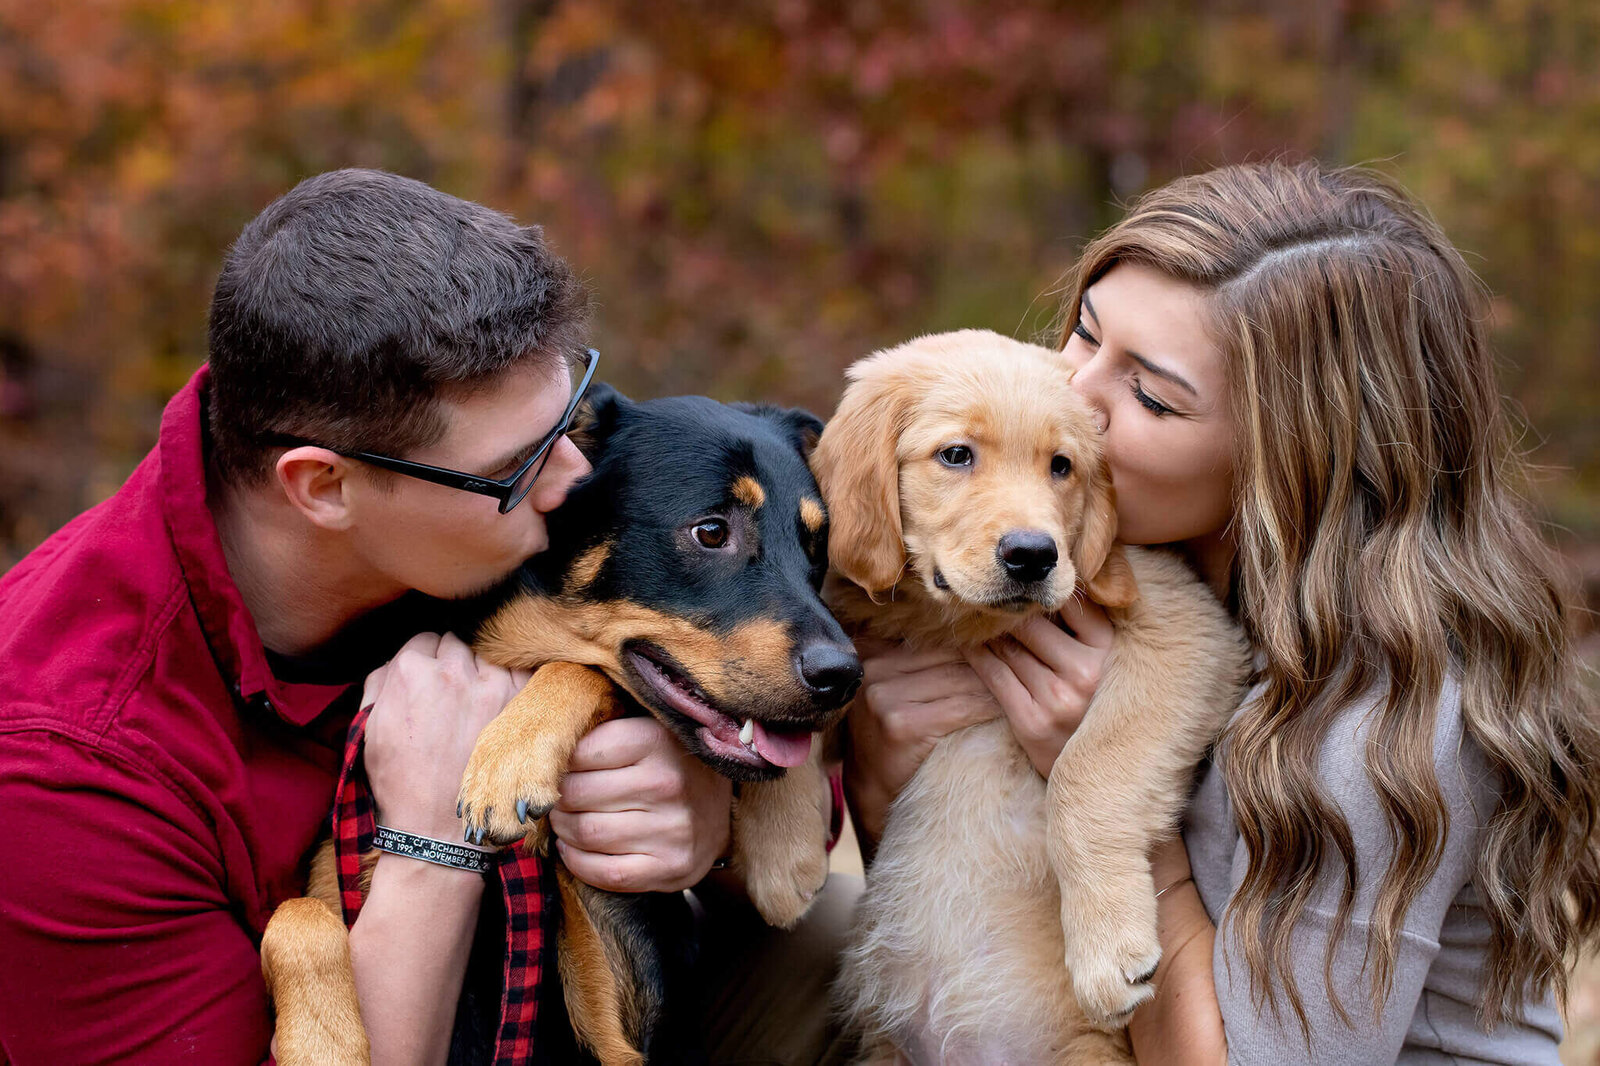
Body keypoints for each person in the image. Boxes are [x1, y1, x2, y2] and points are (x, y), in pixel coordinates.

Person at [0, 169, 848, 1066]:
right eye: (522, 463)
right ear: (325, 486)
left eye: (569, 417)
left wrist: (698, 811)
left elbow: (753, 718)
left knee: (837, 937)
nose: (573, 476)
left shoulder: (464, 473)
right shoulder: (62, 771)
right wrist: (431, 843)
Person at [842, 160, 1600, 1063]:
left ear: (1293, 459)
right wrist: (883, 783)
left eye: (1152, 395)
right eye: (1085, 335)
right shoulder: (1082, 558)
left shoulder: (1390, 722)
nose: (1071, 396)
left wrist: (1105, 796)